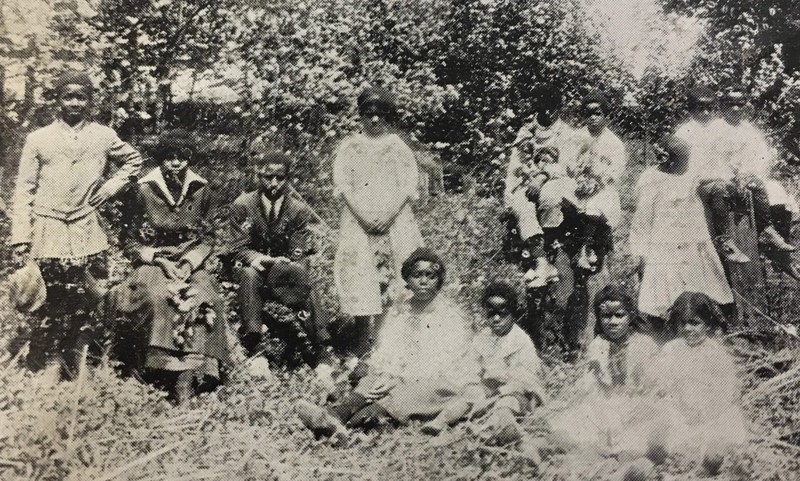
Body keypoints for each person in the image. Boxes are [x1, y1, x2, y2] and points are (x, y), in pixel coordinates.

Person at [10, 70, 142, 377]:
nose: (74, 103)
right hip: (48, 228)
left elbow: (134, 160)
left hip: (86, 229)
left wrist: (112, 186)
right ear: (57, 100)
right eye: (67, 96)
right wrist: (21, 238)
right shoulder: (38, 139)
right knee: (49, 300)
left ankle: (80, 358)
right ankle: (49, 362)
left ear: (90, 101)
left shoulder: (103, 136)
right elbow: (24, 190)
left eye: (80, 97)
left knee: (88, 297)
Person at [295, 248, 474, 438]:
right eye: (417, 275)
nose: (423, 281)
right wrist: (388, 373)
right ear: (407, 279)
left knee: (393, 401)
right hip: (399, 374)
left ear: (439, 280)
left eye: (430, 276)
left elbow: (443, 361)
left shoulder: (450, 317)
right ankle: (334, 415)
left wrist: (399, 378)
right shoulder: (399, 311)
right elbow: (387, 348)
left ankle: (352, 428)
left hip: (435, 379)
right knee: (371, 379)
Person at [107, 129, 230, 404]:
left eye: (182, 157)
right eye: (169, 157)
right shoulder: (143, 189)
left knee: (205, 298)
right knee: (155, 297)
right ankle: (154, 369)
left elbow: (209, 235)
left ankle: (189, 375)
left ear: (190, 159)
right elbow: (127, 240)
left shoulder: (201, 189)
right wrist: (158, 259)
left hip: (188, 259)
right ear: (160, 159)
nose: (176, 163)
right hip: (155, 258)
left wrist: (189, 261)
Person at [332, 86, 424, 357]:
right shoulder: (350, 147)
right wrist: (363, 217)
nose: (374, 120)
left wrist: (388, 215)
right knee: (361, 275)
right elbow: (343, 185)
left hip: (394, 221)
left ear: (388, 116)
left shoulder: (397, 147)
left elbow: (408, 185)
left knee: (395, 274)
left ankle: (387, 340)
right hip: (358, 221)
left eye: (380, 114)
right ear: (360, 115)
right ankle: (362, 342)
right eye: (368, 114)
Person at [227, 146, 332, 369]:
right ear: (258, 176)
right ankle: (253, 339)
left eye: (280, 178)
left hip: (284, 268)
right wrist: (264, 260)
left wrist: (289, 268)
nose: (273, 184)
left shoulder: (297, 210)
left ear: (287, 178)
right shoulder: (242, 205)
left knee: (303, 278)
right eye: (268, 177)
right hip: (251, 265)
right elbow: (239, 247)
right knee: (249, 274)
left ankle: (322, 346)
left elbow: (297, 250)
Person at [629, 136, 733, 340]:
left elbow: (714, 175)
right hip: (664, 241)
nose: (685, 164)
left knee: (699, 286)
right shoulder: (651, 179)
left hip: (693, 240)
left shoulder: (691, 173)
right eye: (681, 159)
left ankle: (703, 331)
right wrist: (641, 252)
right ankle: (669, 335)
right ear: (667, 159)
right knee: (665, 291)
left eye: (688, 159)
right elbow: (642, 219)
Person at [420, 281, 545, 446]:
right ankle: (441, 420)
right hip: (490, 387)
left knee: (505, 405)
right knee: (470, 395)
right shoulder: (484, 337)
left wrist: (499, 392)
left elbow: (524, 380)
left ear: (512, 313)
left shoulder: (520, 341)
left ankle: (504, 429)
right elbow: (472, 366)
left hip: (518, 391)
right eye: (491, 314)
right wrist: (472, 383)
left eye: (502, 313)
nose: (496, 319)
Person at [645, 292, 748, 476]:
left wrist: (706, 411)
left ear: (707, 324)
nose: (688, 329)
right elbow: (661, 381)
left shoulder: (716, 353)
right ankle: (666, 461)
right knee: (658, 429)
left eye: (695, 323)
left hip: (708, 412)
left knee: (724, 430)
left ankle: (708, 465)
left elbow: (725, 391)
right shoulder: (671, 349)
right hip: (680, 410)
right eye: (683, 323)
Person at [548, 284, 659, 456]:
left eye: (619, 315)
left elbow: (653, 382)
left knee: (643, 431)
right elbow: (593, 382)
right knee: (584, 423)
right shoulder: (598, 344)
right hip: (606, 402)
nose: (613, 321)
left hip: (637, 402)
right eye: (606, 316)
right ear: (599, 318)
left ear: (630, 316)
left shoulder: (645, 344)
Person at [717, 88, 799, 277]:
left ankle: (778, 252)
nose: (736, 109)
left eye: (740, 104)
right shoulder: (717, 129)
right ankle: (767, 235)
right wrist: (735, 173)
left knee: (778, 193)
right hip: (725, 177)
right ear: (722, 106)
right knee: (754, 189)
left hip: (750, 176)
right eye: (731, 104)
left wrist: (753, 172)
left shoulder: (748, 130)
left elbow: (761, 156)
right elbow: (714, 159)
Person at [504, 85, 579, 283]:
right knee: (523, 205)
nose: (547, 113)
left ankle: (553, 249)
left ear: (558, 108)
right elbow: (515, 166)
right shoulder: (526, 132)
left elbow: (568, 166)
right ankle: (540, 260)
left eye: (551, 108)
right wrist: (509, 199)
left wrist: (543, 176)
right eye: (542, 107)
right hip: (528, 181)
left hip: (557, 180)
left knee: (550, 199)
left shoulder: (567, 134)